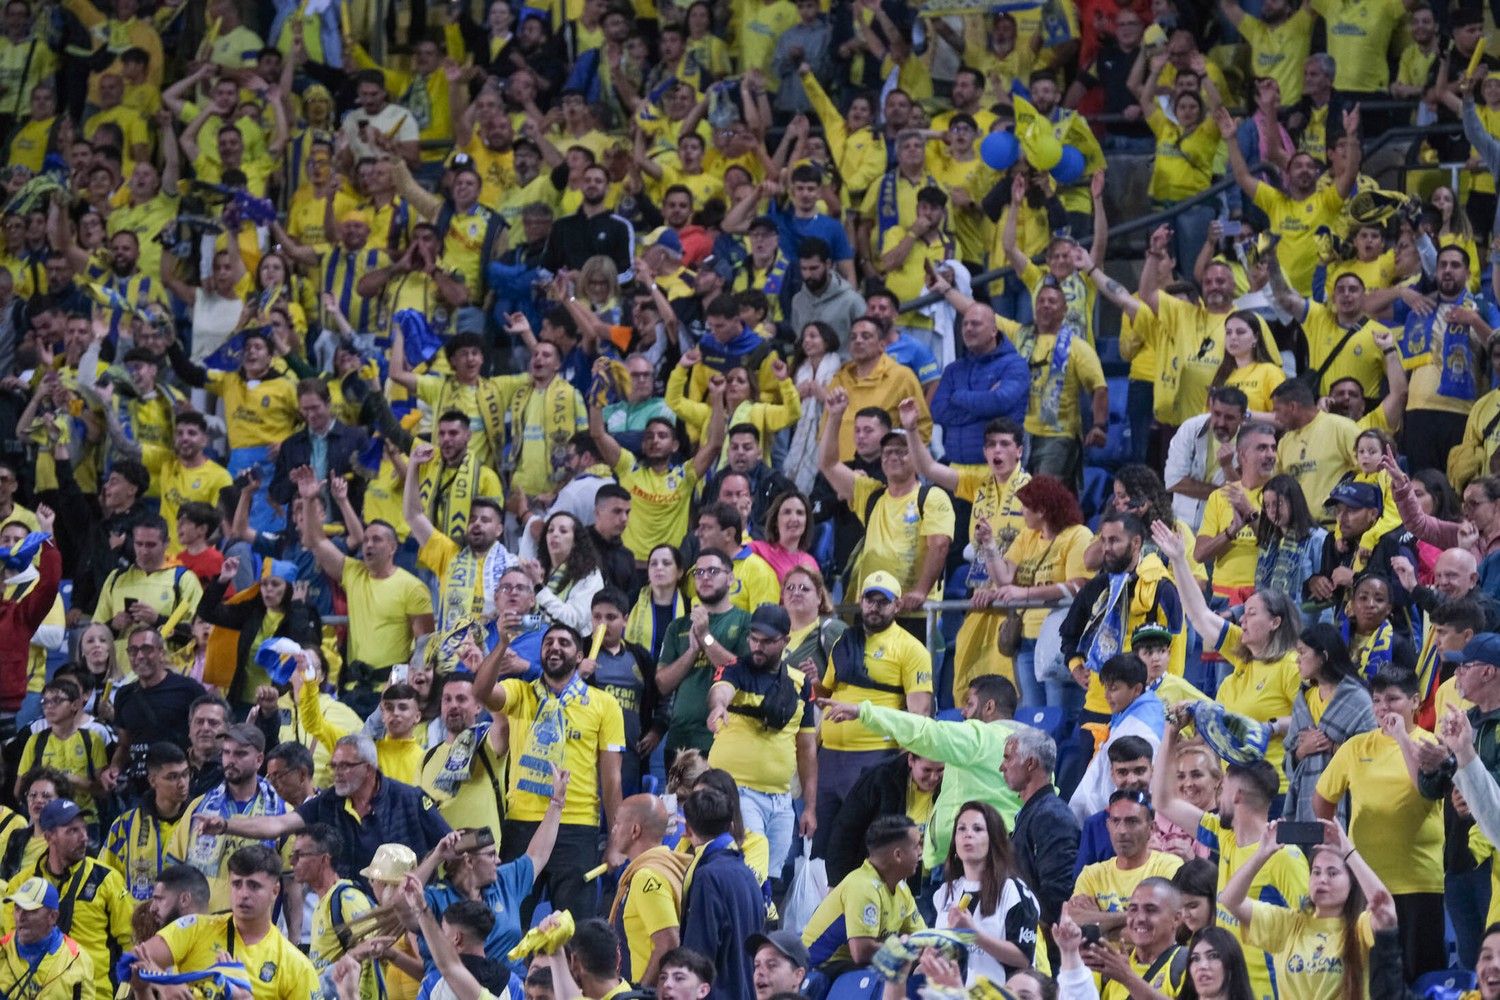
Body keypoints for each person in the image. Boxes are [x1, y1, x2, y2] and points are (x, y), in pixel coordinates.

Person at [472, 623, 624, 921]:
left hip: (577, 825)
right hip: (521, 823)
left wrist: (616, 842)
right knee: (509, 922)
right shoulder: (519, 692)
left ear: (580, 656)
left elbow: (612, 778)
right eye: (548, 642)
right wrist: (501, 645)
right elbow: (481, 692)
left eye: (564, 643)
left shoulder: (604, 704)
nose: (554, 647)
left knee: (574, 929)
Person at [1153, 724, 1309, 1000]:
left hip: (1268, 992)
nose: (1218, 796)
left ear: (1236, 795)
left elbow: (1311, 929)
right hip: (1229, 990)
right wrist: (1170, 734)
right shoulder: (1224, 835)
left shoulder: (1284, 856)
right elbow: (1163, 802)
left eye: (1222, 788)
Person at [1313, 668, 1445, 980]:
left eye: (1393, 699)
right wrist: (1340, 847)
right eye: (1376, 701)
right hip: (1365, 885)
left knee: (1419, 979)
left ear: (1414, 702)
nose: (1383, 708)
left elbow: (1425, 792)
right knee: (1364, 978)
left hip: (1419, 882)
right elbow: (1321, 802)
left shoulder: (1431, 746)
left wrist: (1401, 737)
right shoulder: (1355, 747)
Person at [1152, 521, 1300, 793]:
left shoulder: (1291, 666)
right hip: (1236, 788)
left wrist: (1271, 727)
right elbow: (1199, 615)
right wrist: (1179, 560)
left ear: (1275, 622)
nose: (1242, 619)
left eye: (1252, 613)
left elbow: (1311, 719)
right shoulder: (1243, 659)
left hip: (1276, 789)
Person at [199, 734, 451, 883]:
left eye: (345, 766)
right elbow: (277, 824)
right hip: (350, 916)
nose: (337, 774)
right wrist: (225, 825)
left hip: (406, 917)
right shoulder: (329, 802)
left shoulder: (410, 799)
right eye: (334, 766)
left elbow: (449, 844)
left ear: (369, 767)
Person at [812, 569, 934, 853]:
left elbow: (920, 712)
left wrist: (907, 763)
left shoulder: (911, 649)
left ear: (898, 605)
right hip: (830, 757)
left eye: (883, 601)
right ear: (860, 600)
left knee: (867, 844)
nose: (875, 607)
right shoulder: (844, 642)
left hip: (876, 756)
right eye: (870, 600)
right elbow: (827, 694)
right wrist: (812, 683)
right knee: (824, 845)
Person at [297, 467, 434, 717]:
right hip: (351, 687)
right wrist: (308, 499)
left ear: (393, 547)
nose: (368, 544)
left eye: (377, 540)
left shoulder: (413, 586)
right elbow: (315, 541)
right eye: (367, 539)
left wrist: (405, 689)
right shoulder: (353, 572)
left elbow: (424, 646)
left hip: (389, 691)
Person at [820, 394, 954, 641]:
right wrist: (835, 416)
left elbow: (939, 545)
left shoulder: (932, 496)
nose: (893, 456)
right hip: (870, 610)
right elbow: (828, 464)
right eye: (888, 451)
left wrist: (921, 591)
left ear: (917, 457)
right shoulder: (870, 494)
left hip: (913, 612)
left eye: (903, 451)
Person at [1221, 818, 1394, 1000]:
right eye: (1316, 872)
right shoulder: (1288, 924)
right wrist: (1261, 853)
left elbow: (1387, 910)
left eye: (1332, 873)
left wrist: (1348, 852)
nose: (1322, 879)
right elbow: (1231, 900)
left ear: (1352, 883)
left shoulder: (1361, 927)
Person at [705, 603, 816, 877]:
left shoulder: (800, 684)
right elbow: (721, 690)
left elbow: (806, 749)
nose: (758, 646)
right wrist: (719, 706)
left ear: (785, 641)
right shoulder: (735, 669)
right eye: (753, 638)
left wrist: (810, 807)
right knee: (750, 871)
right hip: (738, 792)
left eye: (767, 641)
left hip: (781, 798)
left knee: (770, 876)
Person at [132, 845, 318, 1000]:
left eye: (254, 886)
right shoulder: (196, 928)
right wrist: (165, 983)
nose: (243, 894)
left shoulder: (296, 966)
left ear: (275, 891)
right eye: (237, 884)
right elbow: (134, 961)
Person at [1061, 514, 1185, 734]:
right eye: (1103, 541)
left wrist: (1165, 699)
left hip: (1143, 705)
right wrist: (1076, 666)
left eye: (1114, 541)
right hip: (1097, 705)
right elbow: (1070, 633)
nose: (1106, 548)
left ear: (1136, 542)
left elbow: (1176, 648)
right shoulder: (1096, 587)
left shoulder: (1162, 588)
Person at [3, 799, 131, 1000]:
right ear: (49, 836)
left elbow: (131, 941)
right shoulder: (22, 884)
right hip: (31, 991)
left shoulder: (106, 879)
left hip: (94, 994)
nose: (84, 838)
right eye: (72, 831)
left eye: (84, 829)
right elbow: (7, 937)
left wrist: (125, 993)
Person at [167, 724, 287, 912]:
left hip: (253, 929)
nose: (230, 760)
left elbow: (290, 883)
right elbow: (175, 870)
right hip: (200, 924)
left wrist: (294, 936)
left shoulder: (281, 812)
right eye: (226, 752)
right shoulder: (199, 807)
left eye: (240, 754)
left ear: (259, 759)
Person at [658, 548, 752, 761]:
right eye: (698, 573)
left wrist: (706, 637)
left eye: (712, 571)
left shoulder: (745, 621)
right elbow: (662, 683)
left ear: (730, 578)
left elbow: (744, 675)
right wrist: (692, 651)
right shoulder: (677, 626)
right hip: (679, 740)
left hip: (722, 738)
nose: (705, 577)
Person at [932, 800, 1040, 985]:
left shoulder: (1013, 890)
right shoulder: (944, 893)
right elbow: (944, 955)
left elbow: (1024, 957)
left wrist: (974, 934)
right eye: (961, 829)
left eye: (977, 829)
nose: (968, 835)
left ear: (994, 840)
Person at [802, 815, 925, 974]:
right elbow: (862, 952)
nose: (921, 851)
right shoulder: (863, 886)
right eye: (917, 846)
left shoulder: (902, 889)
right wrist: (905, 949)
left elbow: (922, 938)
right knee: (891, 971)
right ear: (898, 855)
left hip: (847, 969)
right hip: (816, 971)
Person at [677, 786, 765, 999]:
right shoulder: (747, 872)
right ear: (731, 825)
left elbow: (698, 953)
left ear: (687, 830)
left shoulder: (708, 876)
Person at [1283, 624, 1377, 823]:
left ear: (1323, 655)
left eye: (1302, 652)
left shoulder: (1358, 699)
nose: (1297, 660)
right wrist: (1302, 751)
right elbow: (1288, 759)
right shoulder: (1304, 699)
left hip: (1346, 804)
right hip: (1304, 800)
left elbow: (1370, 756)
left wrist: (1332, 747)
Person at [605, 793, 690, 987]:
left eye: (617, 824)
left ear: (635, 830)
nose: (613, 830)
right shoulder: (656, 867)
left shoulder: (647, 876)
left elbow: (668, 942)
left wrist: (642, 993)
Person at [1068, 791, 1184, 920]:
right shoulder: (1091, 875)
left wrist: (1098, 919)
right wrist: (1140, 919)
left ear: (1151, 828)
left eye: (1132, 821)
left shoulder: (1169, 866)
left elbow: (1166, 925)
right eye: (1116, 821)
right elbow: (1075, 922)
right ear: (1108, 826)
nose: (1122, 831)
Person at [100, 742, 191, 902]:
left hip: (190, 923)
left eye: (185, 774)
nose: (182, 783)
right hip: (137, 922)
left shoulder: (199, 823)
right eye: (173, 777)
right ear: (153, 781)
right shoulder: (125, 826)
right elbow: (105, 879)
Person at [0, 876, 94, 1000]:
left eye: (30, 910)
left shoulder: (77, 960)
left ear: (53, 917)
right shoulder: (3, 949)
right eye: (17, 908)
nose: (20, 917)